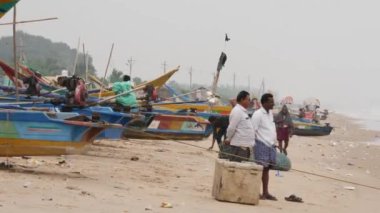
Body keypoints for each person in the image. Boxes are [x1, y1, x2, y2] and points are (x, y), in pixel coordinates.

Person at [252, 93, 277, 201]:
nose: (273, 103)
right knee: (260, 168)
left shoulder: (270, 113)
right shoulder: (258, 114)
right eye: (271, 101)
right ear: (265, 103)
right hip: (261, 144)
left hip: (270, 145)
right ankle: (256, 192)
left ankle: (265, 192)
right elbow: (253, 130)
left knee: (266, 169)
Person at [224, 91, 255, 162]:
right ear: (242, 100)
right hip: (238, 147)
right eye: (248, 99)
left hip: (245, 147)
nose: (249, 101)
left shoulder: (243, 112)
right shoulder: (237, 111)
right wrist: (228, 138)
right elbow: (231, 127)